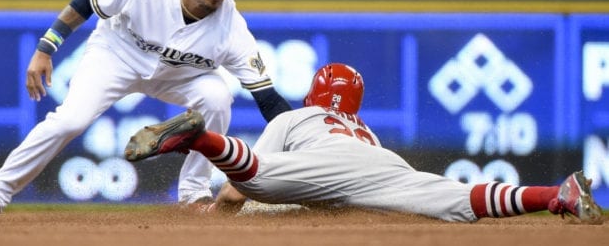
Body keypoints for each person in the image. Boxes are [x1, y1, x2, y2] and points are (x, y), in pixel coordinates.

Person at [0, 0, 292, 220]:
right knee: (69, 122)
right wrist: (46, 48)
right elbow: (87, 1)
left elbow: (267, 98)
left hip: (180, 76)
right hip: (115, 56)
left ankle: (194, 193)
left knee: (217, 97)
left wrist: (301, 136)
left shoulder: (231, 28)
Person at [123, 63, 604, 224]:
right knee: (453, 200)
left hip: (318, 161)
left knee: (261, 181)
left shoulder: (300, 115)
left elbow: (241, 188)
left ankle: (202, 137)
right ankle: (554, 195)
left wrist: (215, 216)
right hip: (379, 163)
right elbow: (329, 195)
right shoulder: (366, 131)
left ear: (315, 93)